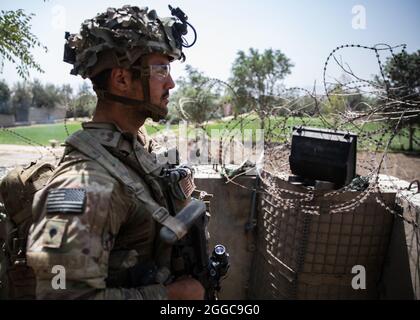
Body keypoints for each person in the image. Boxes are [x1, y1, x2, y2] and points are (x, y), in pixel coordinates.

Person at [26, 5, 204, 300]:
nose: (171, 83)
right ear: (121, 79)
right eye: (161, 70)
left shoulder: (131, 146)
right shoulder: (84, 186)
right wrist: (171, 297)